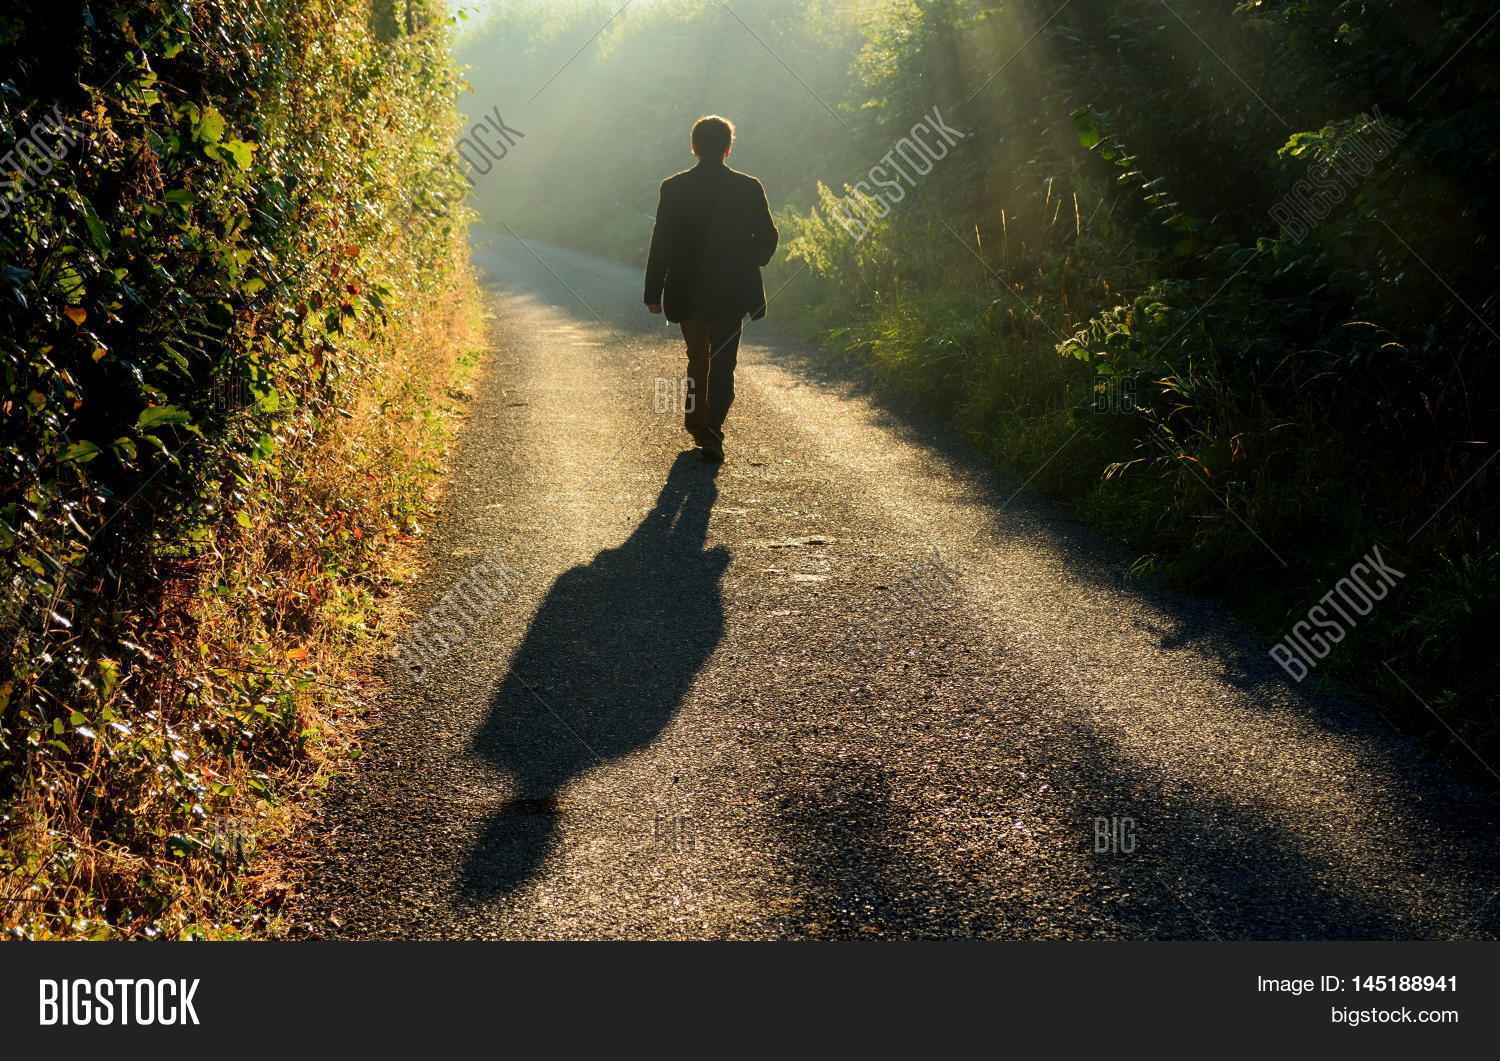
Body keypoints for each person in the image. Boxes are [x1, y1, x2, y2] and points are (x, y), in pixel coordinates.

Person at [644, 115, 778, 461]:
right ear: (728, 148)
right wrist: (752, 260)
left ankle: (696, 423)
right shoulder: (749, 187)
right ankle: (713, 431)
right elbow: (768, 237)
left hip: (687, 290)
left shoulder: (673, 187)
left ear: (694, 147)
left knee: (696, 361)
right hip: (731, 291)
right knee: (723, 364)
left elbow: (662, 242)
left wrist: (652, 291)